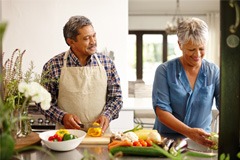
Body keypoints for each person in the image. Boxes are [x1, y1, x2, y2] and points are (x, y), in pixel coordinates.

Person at [39, 15, 123, 134]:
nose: (93, 41)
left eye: (94, 35)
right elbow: (43, 103)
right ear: (71, 42)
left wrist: (107, 115)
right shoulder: (53, 66)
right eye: (86, 38)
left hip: (100, 136)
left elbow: (116, 98)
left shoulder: (107, 64)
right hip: (66, 137)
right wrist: (62, 117)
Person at [152, 17, 219, 147]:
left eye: (201, 48)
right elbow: (162, 112)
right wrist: (189, 132)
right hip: (166, 142)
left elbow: (226, 107)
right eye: (191, 49)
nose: (197, 55)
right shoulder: (164, 71)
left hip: (203, 141)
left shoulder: (213, 71)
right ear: (180, 45)